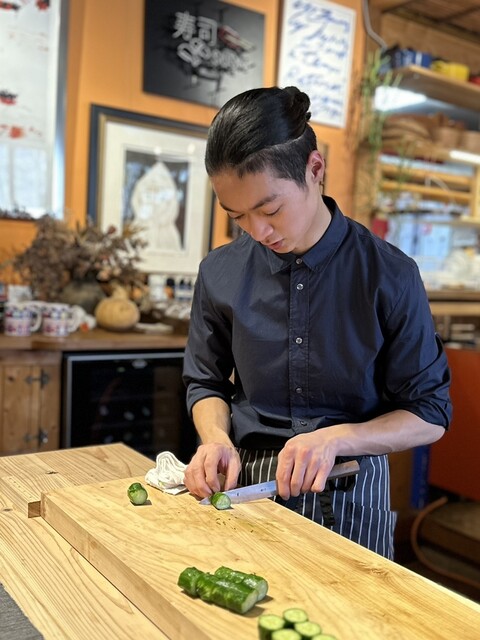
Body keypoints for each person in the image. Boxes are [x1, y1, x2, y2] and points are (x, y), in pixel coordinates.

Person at [182, 86, 452, 559]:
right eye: (237, 216)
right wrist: (215, 438)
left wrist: (338, 437)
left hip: (352, 482)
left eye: (270, 209)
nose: (258, 231)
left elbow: (430, 414)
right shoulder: (219, 272)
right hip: (248, 485)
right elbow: (205, 382)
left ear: (315, 169)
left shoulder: (389, 274)